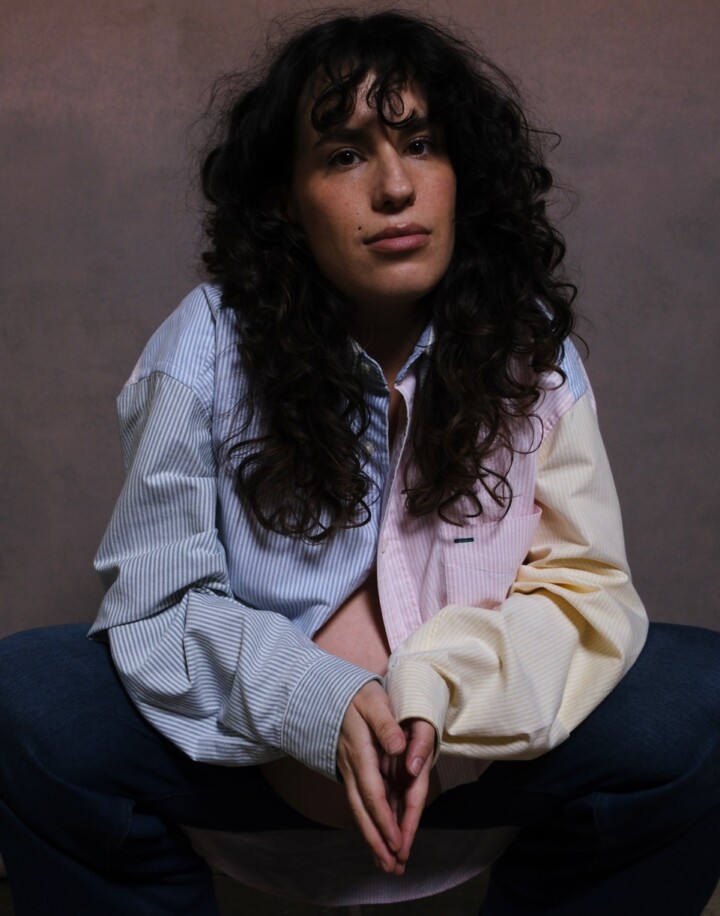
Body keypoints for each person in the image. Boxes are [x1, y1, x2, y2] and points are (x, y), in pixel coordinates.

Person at [0, 10, 719, 915]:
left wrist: (437, 693)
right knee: (27, 696)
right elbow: (157, 602)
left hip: (475, 769)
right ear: (283, 198)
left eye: (421, 145)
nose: (395, 187)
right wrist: (319, 701)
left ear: (463, 174)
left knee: (700, 695)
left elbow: (585, 587)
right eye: (344, 155)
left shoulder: (531, 352)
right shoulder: (202, 346)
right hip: (247, 774)